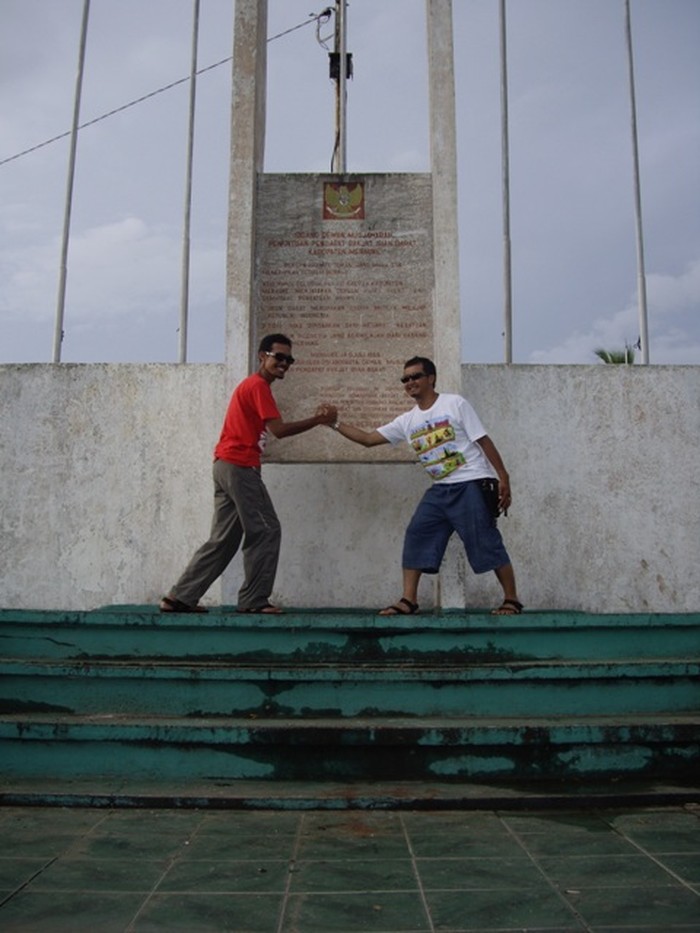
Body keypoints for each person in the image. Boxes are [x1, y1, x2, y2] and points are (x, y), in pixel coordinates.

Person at [321, 356, 522, 616]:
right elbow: (369, 439)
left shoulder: (454, 404)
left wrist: (503, 477)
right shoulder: (407, 421)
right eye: (405, 379)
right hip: (441, 489)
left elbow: (482, 440)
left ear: (431, 378)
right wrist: (333, 423)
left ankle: (511, 600)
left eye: (416, 376)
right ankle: (408, 600)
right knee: (417, 533)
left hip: (471, 482)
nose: (410, 382)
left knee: (485, 540)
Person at [160, 333, 337, 615]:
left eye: (289, 359)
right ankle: (254, 600)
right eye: (278, 357)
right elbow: (278, 430)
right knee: (266, 529)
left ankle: (179, 597)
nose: (284, 363)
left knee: (224, 539)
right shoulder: (258, 386)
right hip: (239, 465)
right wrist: (319, 420)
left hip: (225, 465)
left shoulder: (254, 386)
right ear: (262, 356)